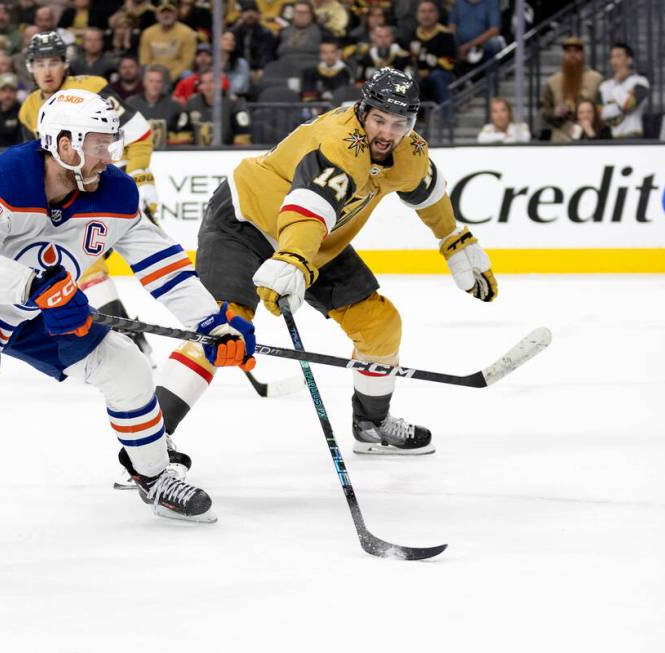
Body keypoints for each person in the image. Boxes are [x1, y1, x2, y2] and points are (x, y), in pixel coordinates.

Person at [0, 88, 256, 576]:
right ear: (64, 143)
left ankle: (152, 476)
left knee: (124, 364)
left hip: (39, 306)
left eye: (111, 143)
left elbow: (162, 265)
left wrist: (211, 322)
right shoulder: (10, 176)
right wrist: (37, 287)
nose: (111, 155)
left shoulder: (117, 193)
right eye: (100, 144)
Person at [140, 67, 497, 467]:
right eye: (379, 119)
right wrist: (292, 258)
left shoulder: (410, 152)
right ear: (363, 111)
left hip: (319, 240)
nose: (387, 132)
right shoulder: (341, 142)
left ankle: (371, 424)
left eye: (399, 124)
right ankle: (148, 445)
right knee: (224, 328)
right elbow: (309, 205)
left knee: (380, 325)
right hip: (245, 221)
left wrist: (452, 240)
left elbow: (428, 194)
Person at [19, 31, 159, 357]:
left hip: (114, 184)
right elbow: (40, 159)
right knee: (85, 264)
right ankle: (129, 336)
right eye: (40, 64)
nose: (47, 70)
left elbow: (140, 134)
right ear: (30, 68)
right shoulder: (29, 108)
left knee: (158, 264)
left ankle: (209, 324)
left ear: (65, 63)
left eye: (53, 62)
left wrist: (141, 179)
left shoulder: (92, 87)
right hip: (80, 192)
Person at [539, 36, 603, 142]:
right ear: (564, 55)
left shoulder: (596, 80)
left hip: (589, 137)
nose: (572, 55)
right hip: (560, 138)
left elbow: (602, 110)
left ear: (583, 54)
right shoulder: (553, 81)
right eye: (568, 51)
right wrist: (555, 112)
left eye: (577, 51)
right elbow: (543, 111)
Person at [411, 0, 457, 124]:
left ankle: (448, 119)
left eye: (430, 11)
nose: (426, 15)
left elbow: (449, 62)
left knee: (437, 76)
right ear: (417, 15)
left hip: (442, 75)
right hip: (417, 77)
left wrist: (428, 71)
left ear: (437, 15)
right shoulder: (411, 35)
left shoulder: (446, 35)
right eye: (423, 11)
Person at [178, 70, 251, 145]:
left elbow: (243, 135)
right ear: (200, 86)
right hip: (197, 154)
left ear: (220, 83)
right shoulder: (192, 103)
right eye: (204, 82)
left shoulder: (234, 104)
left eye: (212, 81)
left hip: (226, 153)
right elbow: (183, 133)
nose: (208, 86)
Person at [595, 42, 650, 139]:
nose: (614, 61)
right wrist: (622, 104)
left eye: (618, 56)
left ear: (629, 60)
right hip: (610, 138)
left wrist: (616, 86)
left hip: (633, 137)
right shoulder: (604, 86)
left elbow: (627, 105)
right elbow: (600, 116)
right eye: (612, 57)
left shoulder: (640, 82)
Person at [138, 1, 197, 84]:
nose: (166, 15)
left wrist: (170, 77)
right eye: (163, 13)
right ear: (157, 16)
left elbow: (187, 62)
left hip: (176, 73)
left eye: (170, 12)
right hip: (154, 72)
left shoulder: (186, 33)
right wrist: (155, 76)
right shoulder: (147, 33)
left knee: (187, 74)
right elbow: (144, 61)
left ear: (176, 15)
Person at [136, 64, 188, 146]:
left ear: (164, 84)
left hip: (167, 152)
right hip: (139, 150)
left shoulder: (174, 106)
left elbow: (182, 136)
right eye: (151, 81)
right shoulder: (131, 104)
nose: (155, 85)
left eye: (158, 81)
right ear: (144, 82)